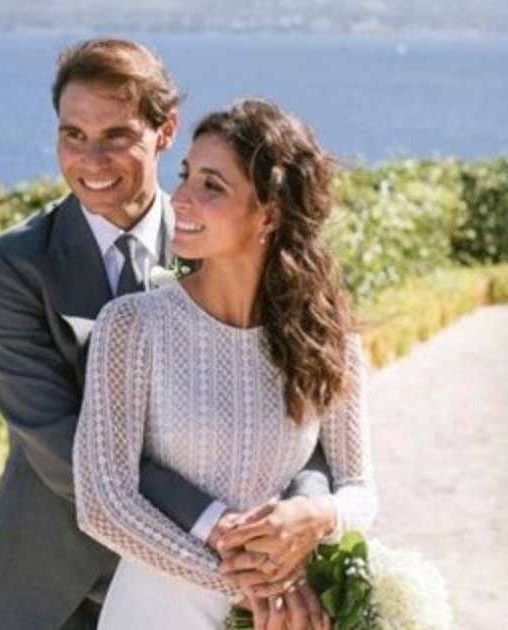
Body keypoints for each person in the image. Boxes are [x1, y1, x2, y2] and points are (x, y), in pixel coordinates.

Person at [0, 39, 336, 630]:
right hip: (57, 588)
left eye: (116, 135)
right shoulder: (11, 267)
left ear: (165, 132)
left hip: (205, 590)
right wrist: (222, 534)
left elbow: (301, 414)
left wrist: (300, 517)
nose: (91, 160)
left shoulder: (224, 241)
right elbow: (61, 444)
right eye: (73, 135)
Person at [73, 98, 379, 630]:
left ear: (270, 213)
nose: (180, 199)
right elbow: (103, 502)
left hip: (279, 613)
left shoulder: (327, 336)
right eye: (186, 176)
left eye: (212, 186)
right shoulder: (132, 325)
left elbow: (360, 490)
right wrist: (250, 585)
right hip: (162, 609)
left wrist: (316, 515)